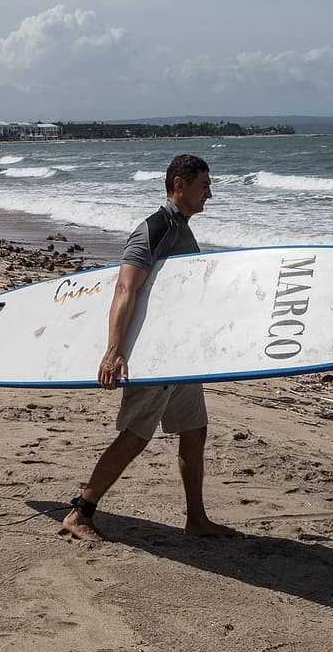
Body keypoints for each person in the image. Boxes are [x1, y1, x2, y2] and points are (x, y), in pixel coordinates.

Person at [61, 154, 235, 542]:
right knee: (136, 435)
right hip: (153, 354)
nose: (210, 192)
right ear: (180, 184)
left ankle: (197, 519)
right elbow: (126, 287)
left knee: (194, 430)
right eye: (204, 184)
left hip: (180, 354)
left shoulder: (181, 228)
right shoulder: (155, 229)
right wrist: (114, 350)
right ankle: (80, 513)